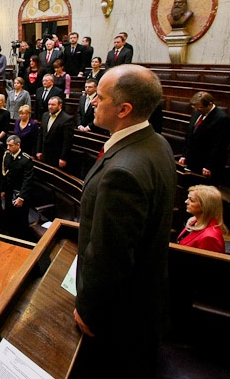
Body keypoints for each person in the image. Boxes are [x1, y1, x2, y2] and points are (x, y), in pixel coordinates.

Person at [74, 64, 176, 378]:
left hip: (117, 316)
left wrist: (88, 310)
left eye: (100, 97)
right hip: (145, 296)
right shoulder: (156, 142)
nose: (92, 102)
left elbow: (112, 256)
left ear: (123, 109)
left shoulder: (123, 172)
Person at [179, 91, 230, 182]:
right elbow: (189, 137)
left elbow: (219, 146)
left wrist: (209, 166)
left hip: (205, 166)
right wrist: (184, 155)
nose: (196, 110)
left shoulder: (222, 118)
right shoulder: (197, 113)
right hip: (191, 161)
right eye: (194, 107)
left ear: (210, 104)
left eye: (199, 107)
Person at [0, 135, 34, 238]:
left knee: (20, 220)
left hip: (20, 193)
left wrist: (21, 197)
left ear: (18, 145)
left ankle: (21, 239)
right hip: (9, 192)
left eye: (11, 145)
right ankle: (10, 236)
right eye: (7, 145)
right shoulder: (7, 155)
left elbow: (27, 180)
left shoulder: (26, 159)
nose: (8, 148)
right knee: (9, 215)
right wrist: (3, 190)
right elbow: (5, 175)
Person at [177, 185, 227, 253]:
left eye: (191, 200)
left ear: (205, 206)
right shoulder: (195, 221)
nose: (186, 201)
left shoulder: (209, 238)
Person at [36, 96, 74, 169]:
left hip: (57, 156)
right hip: (44, 154)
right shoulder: (45, 115)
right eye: (49, 104)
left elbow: (67, 141)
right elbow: (41, 135)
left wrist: (63, 158)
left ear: (60, 106)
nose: (50, 107)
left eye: (53, 105)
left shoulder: (67, 119)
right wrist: (39, 150)